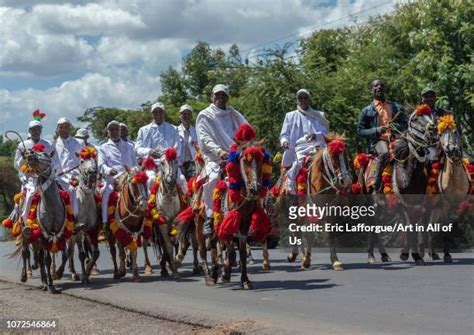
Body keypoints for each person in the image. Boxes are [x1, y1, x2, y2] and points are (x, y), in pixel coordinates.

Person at [196, 84, 248, 236]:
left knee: (252, 176)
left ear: (227, 98)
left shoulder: (234, 114)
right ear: (212, 97)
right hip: (214, 157)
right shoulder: (205, 115)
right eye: (217, 95)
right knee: (213, 178)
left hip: (236, 155)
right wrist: (219, 152)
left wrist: (245, 147)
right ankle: (210, 217)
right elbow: (205, 139)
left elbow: (245, 131)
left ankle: (259, 210)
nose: (220, 98)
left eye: (223, 95)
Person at [357, 79, 408, 192]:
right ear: (372, 90)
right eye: (375, 86)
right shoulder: (366, 110)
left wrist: (395, 127)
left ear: (384, 89)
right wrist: (376, 130)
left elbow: (406, 124)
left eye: (381, 85)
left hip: (397, 139)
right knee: (384, 152)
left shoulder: (396, 106)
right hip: (378, 141)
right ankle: (376, 185)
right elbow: (360, 131)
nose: (379, 87)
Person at [279, 89, 330, 194]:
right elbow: (284, 134)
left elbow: (326, 134)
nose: (303, 100)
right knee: (293, 170)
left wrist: (316, 135)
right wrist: (284, 142)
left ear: (309, 99)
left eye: (305, 97)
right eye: (300, 98)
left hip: (317, 147)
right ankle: (292, 195)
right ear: (297, 100)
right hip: (298, 149)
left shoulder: (319, 115)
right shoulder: (290, 115)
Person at [13, 116, 59, 224]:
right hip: (29, 179)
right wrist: (23, 160)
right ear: (29, 131)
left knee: (62, 194)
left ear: (41, 131)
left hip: (47, 177)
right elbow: (16, 164)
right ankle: (24, 222)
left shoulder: (48, 144)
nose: (36, 131)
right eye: (34, 129)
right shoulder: (22, 145)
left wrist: (52, 174)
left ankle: (64, 220)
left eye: (38, 129)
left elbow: (55, 161)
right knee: (27, 197)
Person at [135, 102, 185, 191]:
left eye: (160, 112)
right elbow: (137, 149)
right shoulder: (143, 130)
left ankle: (185, 203)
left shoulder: (173, 128)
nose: (158, 114)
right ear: (152, 114)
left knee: (181, 179)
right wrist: (149, 151)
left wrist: (167, 153)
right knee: (150, 180)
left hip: (169, 163)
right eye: (155, 112)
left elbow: (178, 148)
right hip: (150, 164)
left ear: (164, 113)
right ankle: (150, 203)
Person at [97, 121, 137, 228]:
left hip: (129, 179)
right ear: (108, 133)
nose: (114, 132)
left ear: (120, 131)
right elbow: (101, 165)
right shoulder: (103, 147)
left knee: (143, 193)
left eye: (116, 129)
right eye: (112, 130)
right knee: (106, 194)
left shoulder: (130, 146)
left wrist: (133, 172)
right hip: (112, 180)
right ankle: (105, 224)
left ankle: (146, 221)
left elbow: (135, 164)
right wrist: (109, 170)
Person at [54, 117, 83, 217]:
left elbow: (84, 160)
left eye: (66, 127)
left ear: (69, 129)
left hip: (77, 175)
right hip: (59, 177)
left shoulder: (79, 142)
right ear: (57, 129)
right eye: (61, 127)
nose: (64, 129)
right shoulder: (52, 144)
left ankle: (75, 218)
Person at [176, 104, 199, 180]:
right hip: (179, 164)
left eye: (188, 114)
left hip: (192, 163)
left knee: (193, 183)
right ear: (180, 116)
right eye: (184, 114)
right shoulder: (174, 131)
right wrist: (180, 165)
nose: (186, 116)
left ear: (191, 116)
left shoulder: (196, 131)